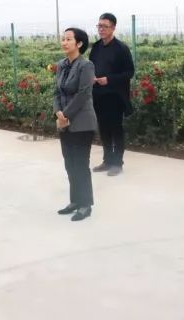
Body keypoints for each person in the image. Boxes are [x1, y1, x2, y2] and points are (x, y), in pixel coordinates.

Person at [54, 27, 98, 221]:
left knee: (80, 164)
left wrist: (65, 114)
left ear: (79, 43)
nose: (64, 42)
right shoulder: (61, 65)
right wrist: (58, 112)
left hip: (82, 123)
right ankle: (75, 201)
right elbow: (57, 92)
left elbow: (83, 94)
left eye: (68, 39)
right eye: (63, 39)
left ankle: (85, 204)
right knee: (69, 164)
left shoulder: (86, 66)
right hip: (64, 122)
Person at [89, 13, 135, 176]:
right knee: (104, 129)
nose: (101, 29)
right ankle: (107, 160)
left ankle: (117, 163)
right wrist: (91, 78)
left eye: (105, 26)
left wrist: (109, 79)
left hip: (115, 96)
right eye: (99, 26)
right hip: (98, 95)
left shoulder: (121, 49)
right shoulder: (96, 47)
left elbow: (129, 72)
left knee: (116, 130)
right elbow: (91, 67)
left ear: (113, 28)